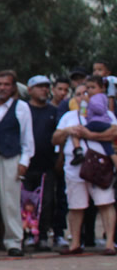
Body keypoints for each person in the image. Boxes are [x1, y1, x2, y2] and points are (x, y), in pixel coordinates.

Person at [52, 84, 117, 255]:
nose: (82, 97)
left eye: (85, 93)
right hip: (75, 166)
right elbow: (54, 139)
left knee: (105, 202)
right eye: (78, 94)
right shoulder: (68, 116)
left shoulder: (106, 115)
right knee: (75, 205)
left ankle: (109, 243)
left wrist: (90, 135)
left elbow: (114, 133)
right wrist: (68, 130)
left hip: (100, 165)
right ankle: (75, 243)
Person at [0, 70, 35, 257]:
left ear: (13, 87)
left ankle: (14, 242)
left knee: (10, 201)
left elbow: (27, 138)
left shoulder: (21, 108)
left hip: (10, 157)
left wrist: (24, 161)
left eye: (6, 84)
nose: (2, 88)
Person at [22, 76, 61, 252]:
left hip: (47, 165)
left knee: (47, 202)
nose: (43, 90)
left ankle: (43, 235)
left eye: (46, 87)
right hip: (26, 164)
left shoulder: (54, 111)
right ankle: (28, 235)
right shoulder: (24, 109)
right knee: (26, 203)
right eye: (39, 87)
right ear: (30, 90)